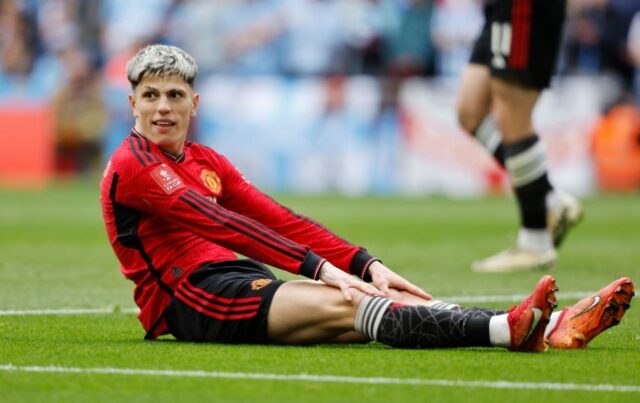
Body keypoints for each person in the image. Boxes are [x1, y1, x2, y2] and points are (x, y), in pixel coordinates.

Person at [100, 44, 633, 351]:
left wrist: (364, 261)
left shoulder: (206, 159)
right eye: (150, 96)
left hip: (235, 279)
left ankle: (544, 330)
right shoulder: (135, 164)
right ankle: (510, 330)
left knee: (372, 298)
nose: (162, 108)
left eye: (174, 96)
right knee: (350, 303)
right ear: (132, 104)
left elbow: (277, 218)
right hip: (189, 299)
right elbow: (227, 228)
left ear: (194, 103)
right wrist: (321, 270)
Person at [457, 0, 583, 272]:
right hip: (500, 9)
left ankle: (535, 241)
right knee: (470, 111)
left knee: (511, 115)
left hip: (523, 6)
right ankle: (548, 197)